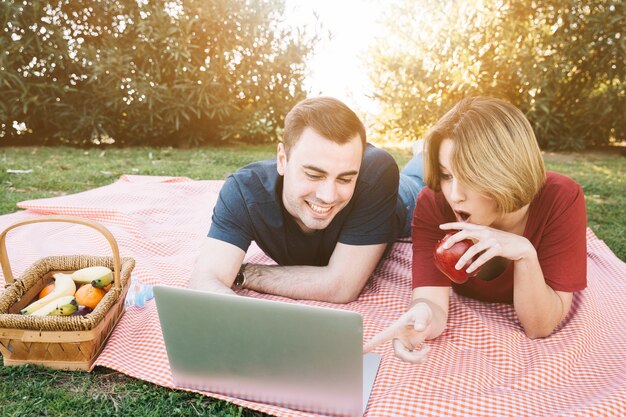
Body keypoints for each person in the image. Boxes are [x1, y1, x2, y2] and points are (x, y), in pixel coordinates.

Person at [364, 97, 587, 363]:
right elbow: (432, 302)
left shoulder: (561, 197)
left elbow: (539, 327)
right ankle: (421, 155)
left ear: (504, 174)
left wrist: (525, 254)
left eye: (469, 177)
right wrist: (420, 320)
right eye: (447, 176)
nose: (454, 195)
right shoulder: (434, 203)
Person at [188, 96, 424, 303]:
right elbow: (205, 280)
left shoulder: (376, 172)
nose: (327, 196)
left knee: (424, 173)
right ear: (282, 159)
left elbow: (341, 286)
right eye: (313, 174)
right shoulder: (244, 191)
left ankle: (424, 151)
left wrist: (245, 273)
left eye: (345, 179)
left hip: (406, 197)